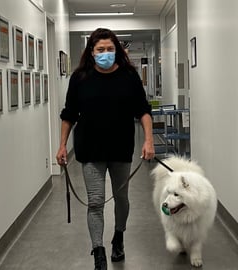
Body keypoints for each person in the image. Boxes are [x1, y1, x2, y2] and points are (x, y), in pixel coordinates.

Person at [56, 28, 155, 270]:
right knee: (96, 201)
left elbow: (143, 110)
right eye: (100, 49)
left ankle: (118, 236)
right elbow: (69, 115)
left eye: (110, 49)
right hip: (90, 149)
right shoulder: (79, 78)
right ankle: (98, 252)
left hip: (121, 148)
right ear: (92, 51)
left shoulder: (129, 76)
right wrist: (61, 146)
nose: (106, 53)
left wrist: (149, 140)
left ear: (117, 50)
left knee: (121, 199)